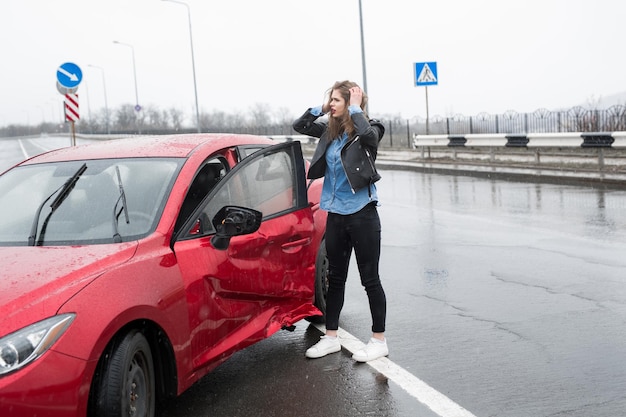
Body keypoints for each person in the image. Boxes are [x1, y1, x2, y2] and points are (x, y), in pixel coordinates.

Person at [292, 80, 388, 362]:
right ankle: (331, 337)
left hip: (363, 214)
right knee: (335, 278)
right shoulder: (330, 133)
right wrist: (320, 108)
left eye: (336, 100)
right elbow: (300, 126)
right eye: (330, 99)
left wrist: (356, 108)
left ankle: (379, 340)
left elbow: (370, 138)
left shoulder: (370, 129)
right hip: (335, 214)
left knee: (370, 279)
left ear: (351, 103)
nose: (331, 104)